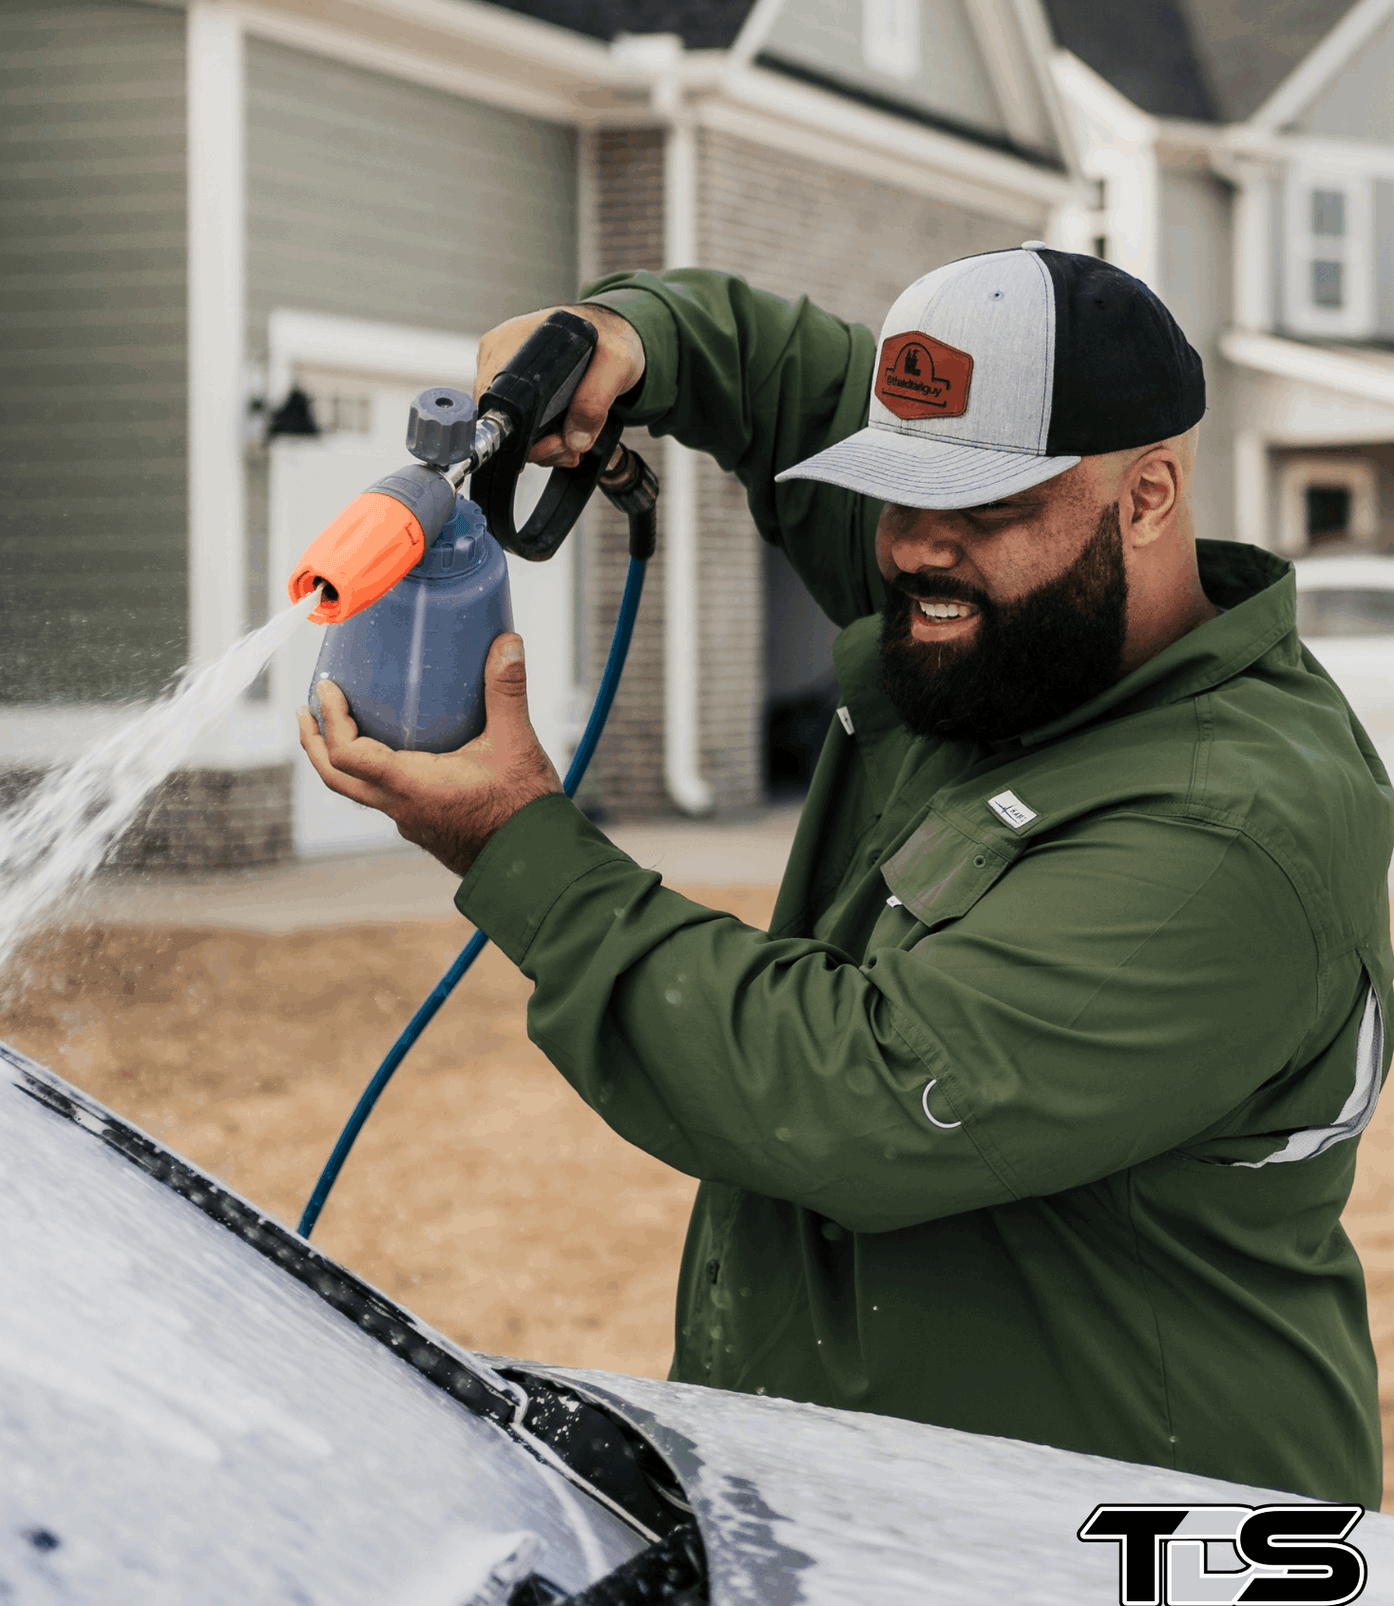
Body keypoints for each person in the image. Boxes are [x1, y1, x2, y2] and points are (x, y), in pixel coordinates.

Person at [298, 246, 1390, 1504]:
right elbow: (779, 375)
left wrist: (514, 844)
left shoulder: (1227, 826)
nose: (913, 546)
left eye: (978, 504)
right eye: (890, 487)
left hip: (1113, 1530)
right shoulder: (1021, 619)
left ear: (1144, 495)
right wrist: (621, 336)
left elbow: (859, 1094)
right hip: (870, 1487)